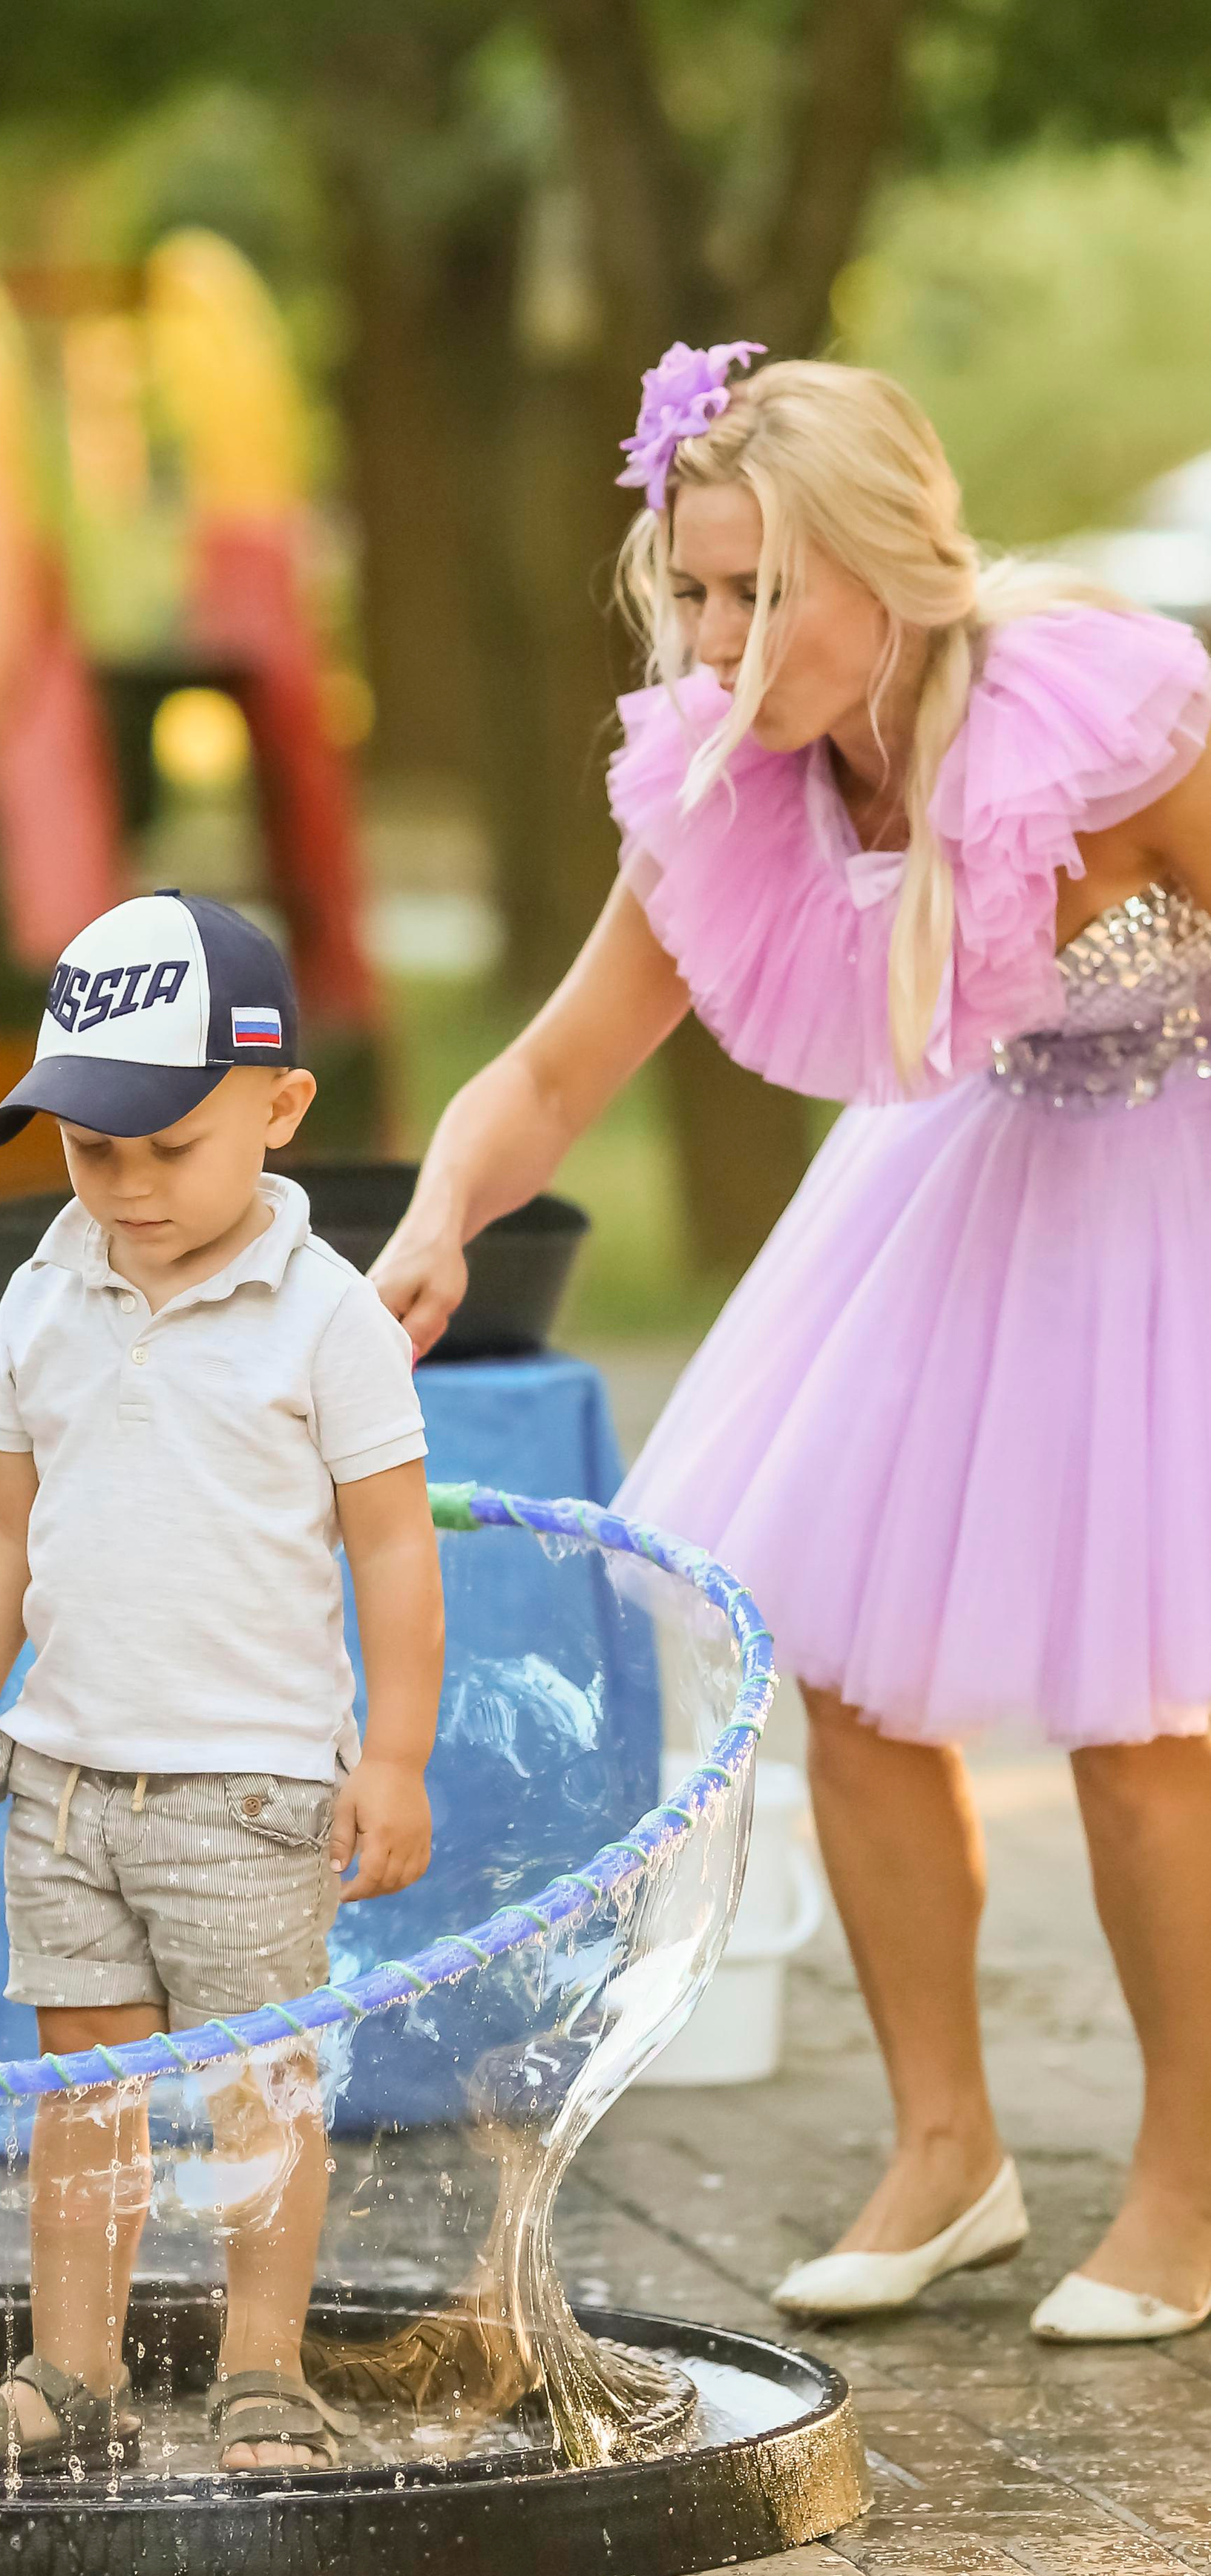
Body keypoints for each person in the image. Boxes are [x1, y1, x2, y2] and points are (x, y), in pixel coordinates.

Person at [373, 347, 1211, 2343]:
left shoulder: (1103, 720)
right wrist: (427, 1217)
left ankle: (1185, 2179)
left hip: (1178, 1175)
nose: (724, 641)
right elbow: (563, 1065)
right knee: (851, 1672)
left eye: (765, 595)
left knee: (1145, 1722)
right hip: (969, 1179)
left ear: (897, 574)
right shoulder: (729, 785)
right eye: (697, 592)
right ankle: (950, 2153)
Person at [0, 889, 444, 2470]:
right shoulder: (43, 1296)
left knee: (255, 2095)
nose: (128, 1189)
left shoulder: (325, 1320)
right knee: (82, 2098)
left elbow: (396, 1552)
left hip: (252, 1786)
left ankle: (261, 2371)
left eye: (170, 1146)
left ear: (280, 1109)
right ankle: (69, 2372)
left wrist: (394, 1757)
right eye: (92, 1151)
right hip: (65, 1780)